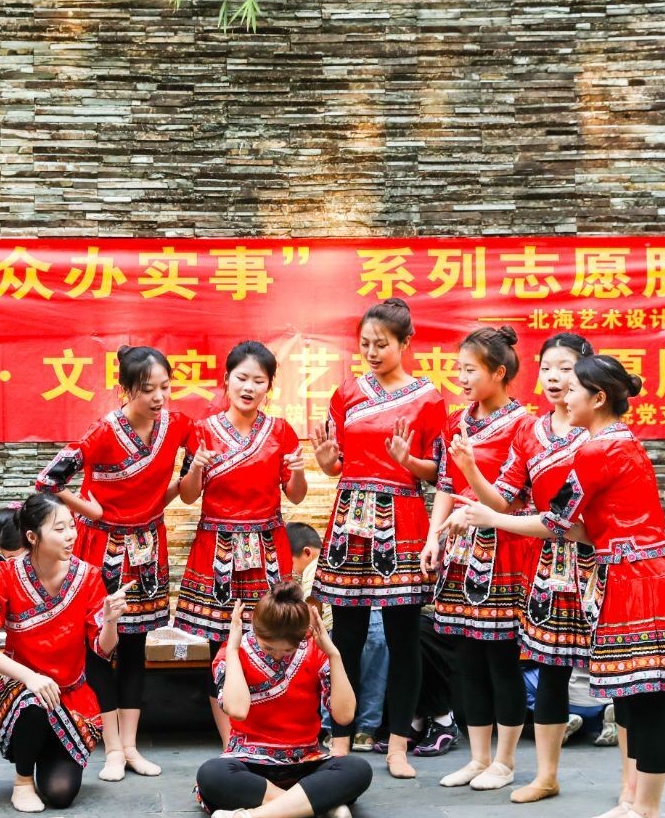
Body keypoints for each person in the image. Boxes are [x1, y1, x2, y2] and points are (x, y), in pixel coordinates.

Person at [459, 354, 665, 818]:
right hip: (631, 575)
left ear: (598, 398)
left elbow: (557, 521)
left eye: (574, 388)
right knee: (634, 699)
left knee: (645, 701)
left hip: (637, 581)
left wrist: (494, 519)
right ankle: (635, 803)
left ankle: (647, 812)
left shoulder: (598, 450)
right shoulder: (616, 443)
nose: (565, 394)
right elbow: (580, 527)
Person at [35, 345, 194, 781]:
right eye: (147, 389)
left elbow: (192, 471)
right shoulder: (103, 432)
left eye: (165, 387)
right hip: (103, 548)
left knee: (138, 647)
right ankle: (111, 748)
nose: (159, 397)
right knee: (101, 646)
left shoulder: (178, 425)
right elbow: (48, 480)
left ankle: (131, 746)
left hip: (148, 548)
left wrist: (165, 497)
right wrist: (92, 510)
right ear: (124, 389)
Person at [455, 332, 597, 802]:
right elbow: (504, 498)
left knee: (622, 671)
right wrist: (471, 471)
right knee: (549, 667)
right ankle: (545, 775)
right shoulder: (530, 431)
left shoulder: (598, 433)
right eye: (547, 368)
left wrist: (496, 517)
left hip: (593, 564)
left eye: (565, 368)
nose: (554, 378)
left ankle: (634, 790)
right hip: (545, 564)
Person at [309, 297, 445, 779]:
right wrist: (325, 462)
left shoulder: (428, 398)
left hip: (402, 518)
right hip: (351, 519)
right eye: (364, 343)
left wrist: (408, 461)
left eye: (381, 344)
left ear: (406, 343)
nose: (371, 352)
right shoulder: (347, 392)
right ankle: (340, 740)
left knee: (403, 637)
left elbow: (440, 472)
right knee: (345, 635)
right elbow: (337, 463)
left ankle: (397, 745)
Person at [172, 342, 308, 741]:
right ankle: (231, 738)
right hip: (218, 549)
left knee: (271, 635)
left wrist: (299, 470)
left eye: (258, 381)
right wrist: (195, 468)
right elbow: (189, 496)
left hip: (267, 548)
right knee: (219, 643)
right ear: (226, 380)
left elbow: (295, 495)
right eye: (242, 378)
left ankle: (268, 732)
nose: (249, 387)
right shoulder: (202, 431)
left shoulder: (280, 431)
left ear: (269, 386)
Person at [424, 326, 533, 792]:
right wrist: (433, 538)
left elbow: (505, 502)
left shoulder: (523, 425)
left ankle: (504, 762)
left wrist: (470, 469)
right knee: (467, 658)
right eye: (459, 370)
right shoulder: (457, 421)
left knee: (500, 658)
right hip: (462, 551)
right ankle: (478, 757)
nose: (462, 378)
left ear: (499, 372)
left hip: (503, 548)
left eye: (470, 370)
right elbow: (446, 486)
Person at [0, 494, 126, 812]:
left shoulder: (88, 577)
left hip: (69, 696)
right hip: (21, 689)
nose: (71, 535)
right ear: (32, 536)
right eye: (59, 529)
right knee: (34, 700)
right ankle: (22, 781)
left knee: (60, 793)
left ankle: (42, 749)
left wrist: (110, 621)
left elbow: (102, 648)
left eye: (72, 526)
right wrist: (30, 677)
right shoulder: (7, 575)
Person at [197, 584, 373, 818]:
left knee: (357, 769)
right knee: (212, 774)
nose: (279, 656)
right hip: (249, 763)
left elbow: (344, 716)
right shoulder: (234, 652)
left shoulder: (314, 650)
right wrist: (233, 650)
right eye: (269, 648)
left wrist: (334, 654)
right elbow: (237, 709)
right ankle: (317, 807)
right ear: (254, 627)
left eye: (288, 650)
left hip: (305, 762)